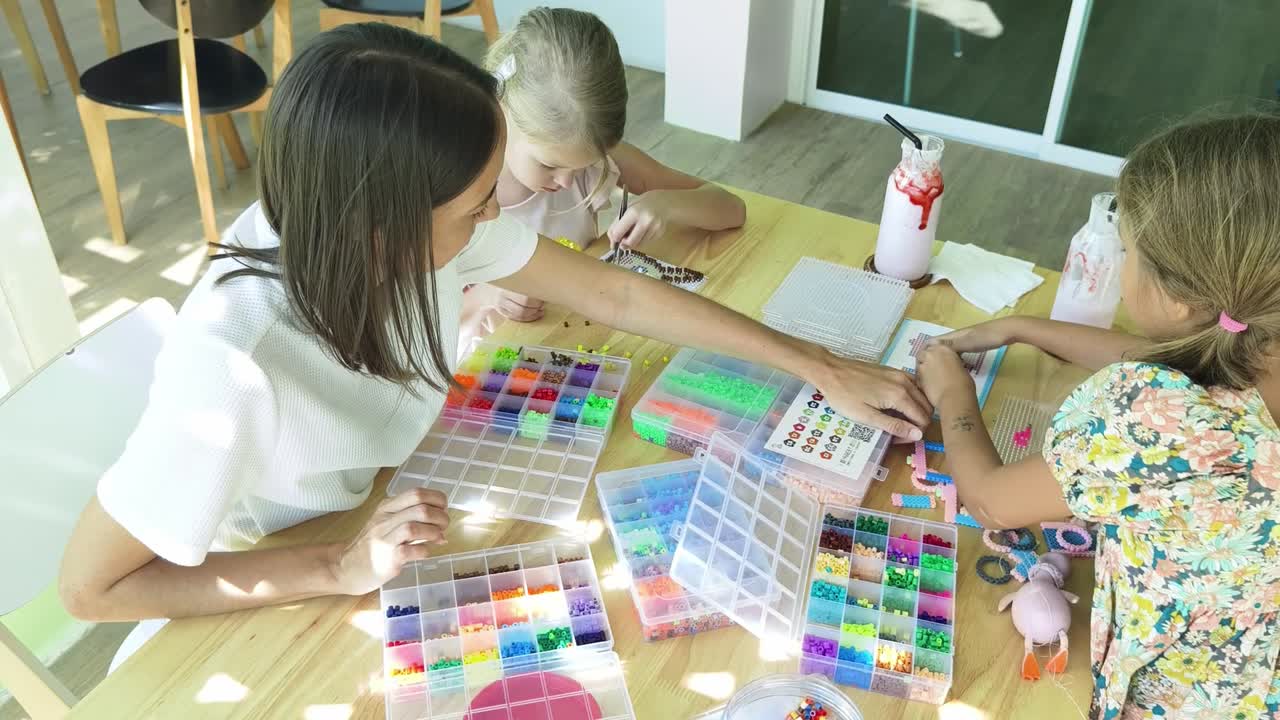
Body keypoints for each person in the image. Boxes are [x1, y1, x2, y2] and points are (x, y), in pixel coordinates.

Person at [57, 24, 927, 634]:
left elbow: (617, 298)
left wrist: (820, 364)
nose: (501, 223)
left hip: (402, 478)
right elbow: (91, 590)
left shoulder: (407, 226)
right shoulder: (231, 362)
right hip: (299, 554)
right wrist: (335, 567)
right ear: (382, 221)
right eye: (480, 207)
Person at [915, 115, 1280, 718]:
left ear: (1177, 298)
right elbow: (1208, 365)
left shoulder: (1147, 416)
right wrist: (1021, 327)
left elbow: (993, 503)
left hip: (1193, 697)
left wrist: (953, 390)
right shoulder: (1254, 339)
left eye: (1128, 252)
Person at [458, 7, 744, 349]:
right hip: (473, 358)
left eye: (581, 166)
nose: (566, 182)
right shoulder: (456, 184)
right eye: (549, 165)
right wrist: (489, 294)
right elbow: (405, 301)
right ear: (501, 110)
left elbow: (732, 209)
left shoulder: (595, 158)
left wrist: (666, 203)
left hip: (572, 341)